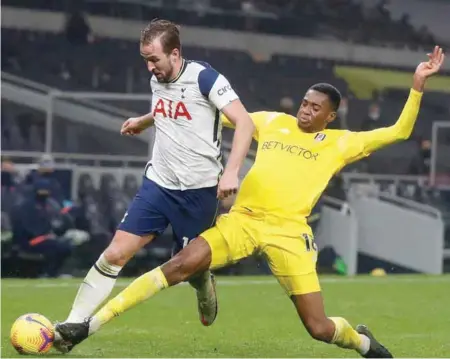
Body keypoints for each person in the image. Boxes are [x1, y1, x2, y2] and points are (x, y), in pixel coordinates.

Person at [56, 47, 444, 357]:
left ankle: (361, 343)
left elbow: (400, 131)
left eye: (314, 108)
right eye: (304, 103)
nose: (305, 110)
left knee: (319, 328)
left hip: (289, 235)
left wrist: (417, 85)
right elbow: (204, 110)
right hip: (242, 221)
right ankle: (88, 326)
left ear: (330, 116)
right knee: (178, 265)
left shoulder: (343, 143)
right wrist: (147, 118)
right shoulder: (273, 121)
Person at [54, 19, 255, 352]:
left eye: (154, 60)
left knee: (188, 267)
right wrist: (144, 120)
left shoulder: (206, 78)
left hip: (198, 191)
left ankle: (203, 282)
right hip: (158, 184)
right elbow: (169, 108)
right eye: (146, 60)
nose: (149, 67)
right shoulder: (157, 78)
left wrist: (232, 172)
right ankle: (72, 324)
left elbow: (245, 123)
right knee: (115, 253)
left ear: (175, 54)